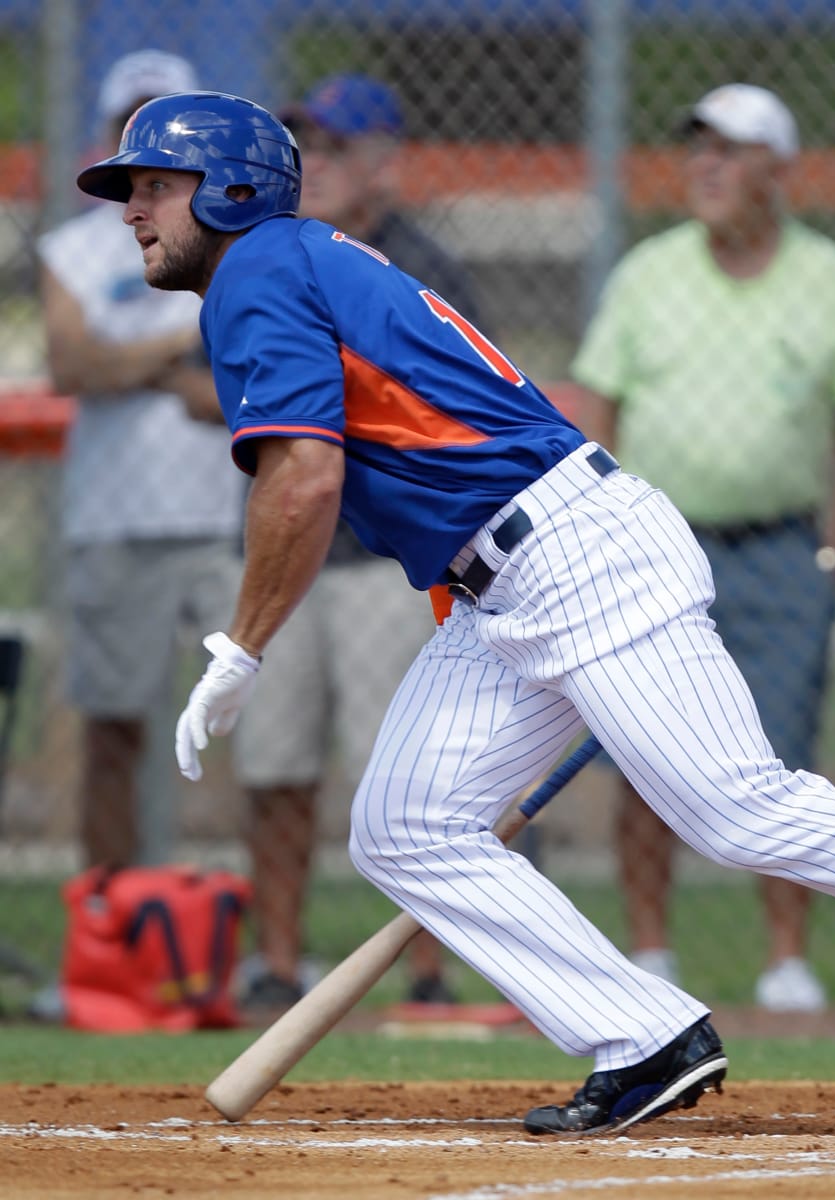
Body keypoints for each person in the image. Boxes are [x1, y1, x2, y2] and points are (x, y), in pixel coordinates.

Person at [78, 91, 835, 1134]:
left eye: (154, 186)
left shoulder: (257, 268)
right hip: (506, 580)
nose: (131, 209)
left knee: (739, 809)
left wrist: (242, 645)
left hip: (574, 554)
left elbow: (305, 480)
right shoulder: (298, 260)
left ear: (228, 189)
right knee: (404, 824)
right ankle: (642, 1034)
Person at [569, 83, 835, 1013]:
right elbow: (600, 407)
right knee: (641, 747)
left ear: (778, 171)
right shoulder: (648, 273)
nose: (707, 164)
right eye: (698, 145)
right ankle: (651, 952)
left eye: (733, 149)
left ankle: (786, 960)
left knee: (781, 761)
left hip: (783, 550)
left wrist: (832, 553)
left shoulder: (832, 278)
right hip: (655, 550)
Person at [205, 74, 485, 1010]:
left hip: (388, 564)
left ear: (383, 163)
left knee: (405, 778)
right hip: (290, 555)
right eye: (302, 146)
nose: (312, 163)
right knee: (278, 768)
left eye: (333, 146)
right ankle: (278, 964)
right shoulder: (253, 255)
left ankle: (429, 977)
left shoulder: (419, 261)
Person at [38, 51, 241, 873]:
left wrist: (130, 365)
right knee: (114, 728)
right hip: (115, 522)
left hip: (224, 520)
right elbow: (70, 368)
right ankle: (111, 924)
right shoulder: (75, 248)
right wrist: (181, 349)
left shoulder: (232, 243)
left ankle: (217, 930)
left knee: (242, 737)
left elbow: (239, 389)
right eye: (134, 125)